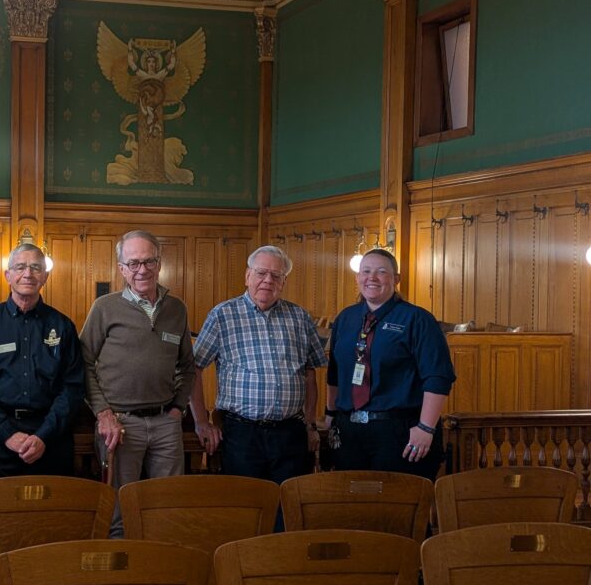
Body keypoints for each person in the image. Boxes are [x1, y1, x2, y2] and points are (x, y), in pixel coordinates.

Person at [80, 229, 195, 536]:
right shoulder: (105, 307)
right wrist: (103, 413)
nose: (141, 270)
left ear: (159, 264)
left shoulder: (177, 309)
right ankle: (121, 578)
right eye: (133, 263)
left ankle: (160, 575)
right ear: (121, 269)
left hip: (165, 423)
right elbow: (84, 363)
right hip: (118, 424)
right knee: (119, 513)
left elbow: (188, 367)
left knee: (166, 509)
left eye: (149, 261)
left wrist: (177, 411)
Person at [189, 245, 327, 485]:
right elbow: (194, 368)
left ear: (284, 281)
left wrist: (311, 424)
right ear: (247, 276)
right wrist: (201, 421)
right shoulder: (222, 315)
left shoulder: (300, 317)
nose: (267, 280)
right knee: (247, 505)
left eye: (276, 275)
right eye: (261, 273)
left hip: (290, 433)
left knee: (289, 505)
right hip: (242, 433)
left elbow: (309, 373)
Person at [325, 248, 455, 480]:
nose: (371, 278)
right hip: (349, 430)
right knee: (350, 506)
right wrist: (330, 414)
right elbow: (334, 372)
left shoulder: (417, 319)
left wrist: (426, 427)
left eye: (381, 272)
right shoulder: (346, 318)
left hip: (399, 431)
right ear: (357, 278)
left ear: (395, 279)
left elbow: (438, 376)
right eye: (365, 271)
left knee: (398, 508)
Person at [0, 243, 84, 480]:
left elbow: (72, 388)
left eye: (35, 268)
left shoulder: (63, 326)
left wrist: (43, 436)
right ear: (8, 276)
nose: (27, 274)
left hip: (51, 438)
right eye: (20, 267)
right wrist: (8, 435)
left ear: (45, 277)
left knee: (51, 514)